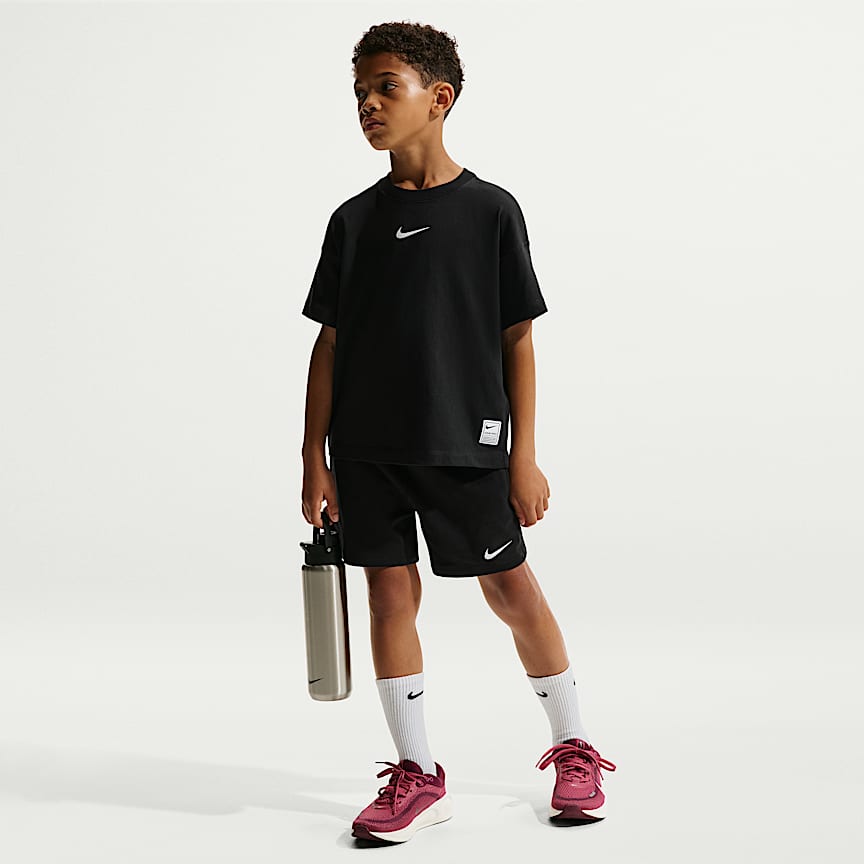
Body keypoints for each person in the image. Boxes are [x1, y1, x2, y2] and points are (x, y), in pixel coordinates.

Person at [300, 21, 616, 844]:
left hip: (464, 444)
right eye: (360, 92)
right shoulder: (352, 221)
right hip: (366, 449)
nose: (368, 104)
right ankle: (417, 772)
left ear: (439, 98)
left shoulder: (490, 211)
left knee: (510, 590)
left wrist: (523, 456)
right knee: (388, 595)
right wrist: (313, 459)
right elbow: (329, 343)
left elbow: (518, 339)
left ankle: (575, 745)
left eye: (386, 87)